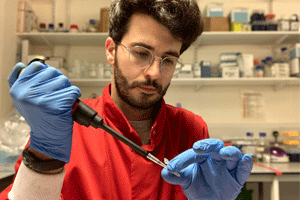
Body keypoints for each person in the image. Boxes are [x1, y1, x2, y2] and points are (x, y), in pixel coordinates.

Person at [0, 0, 253, 199]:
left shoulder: (191, 129)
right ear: (111, 50)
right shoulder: (63, 125)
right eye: (141, 53)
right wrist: (44, 161)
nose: (154, 72)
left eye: (168, 60)